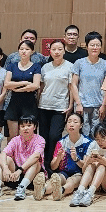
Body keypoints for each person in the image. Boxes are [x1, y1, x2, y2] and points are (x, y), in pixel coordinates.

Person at [0, 114, 45, 201]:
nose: (25, 128)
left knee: (36, 162)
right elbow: (2, 154)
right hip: (15, 176)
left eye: (29, 125)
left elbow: (36, 156)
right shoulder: (15, 140)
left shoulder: (40, 139)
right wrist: (5, 168)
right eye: (22, 126)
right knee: (6, 159)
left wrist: (20, 170)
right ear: (19, 128)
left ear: (34, 127)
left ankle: (22, 188)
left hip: (31, 176)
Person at [37, 39, 73, 171]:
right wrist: (37, 103)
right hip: (44, 106)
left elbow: (71, 88)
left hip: (60, 107)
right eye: (54, 49)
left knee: (54, 136)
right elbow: (41, 87)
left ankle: (53, 165)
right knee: (43, 137)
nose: (57, 52)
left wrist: (71, 105)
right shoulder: (45, 67)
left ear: (64, 51)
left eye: (59, 49)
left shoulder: (70, 66)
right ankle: (43, 166)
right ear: (50, 51)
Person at [37, 111, 90, 201]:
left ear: (81, 125)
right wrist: (58, 158)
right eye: (69, 122)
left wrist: (76, 159)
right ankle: (42, 191)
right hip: (64, 172)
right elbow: (53, 167)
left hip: (79, 173)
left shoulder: (87, 142)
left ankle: (61, 191)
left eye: (75, 122)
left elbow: (86, 167)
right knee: (56, 179)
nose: (71, 124)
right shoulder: (61, 142)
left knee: (72, 181)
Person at [70, 122, 106, 207]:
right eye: (97, 139)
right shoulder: (93, 145)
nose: (100, 142)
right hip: (95, 184)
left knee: (101, 165)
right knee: (91, 165)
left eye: (103, 139)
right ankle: (80, 192)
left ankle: (90, 194)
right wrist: (88, 161)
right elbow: (83, 170)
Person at [70, 31, 106, 136]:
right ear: (87, 46)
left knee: (96, 134)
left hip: (99, 106)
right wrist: (78, 104)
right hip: (82, 105)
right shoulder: (79, 63)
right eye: (92, 45)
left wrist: (104, 105)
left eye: (98, 45)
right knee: (82, 134)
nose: (95, 48)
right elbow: (73, 84)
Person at [3, 39, 42, 138]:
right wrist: (25, 83)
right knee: (13, 136)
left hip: (29, 104)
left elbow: (35, 85)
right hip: (14, 103)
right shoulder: (12, 66)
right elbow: (6, 84)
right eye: (21, 49)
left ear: (32, 51)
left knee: (28, 136)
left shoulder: (36, 67)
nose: (24, 51)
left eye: (27, 49)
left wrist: (17, 89)